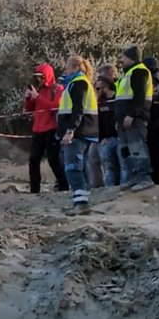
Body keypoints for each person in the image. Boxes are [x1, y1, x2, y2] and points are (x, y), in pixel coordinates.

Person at [57, 56, 99, 215]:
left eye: (67, 67)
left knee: (72, 167)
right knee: (81, 167)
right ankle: (81, 200)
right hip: (84, 132)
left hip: (78, 133)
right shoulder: (78, 83)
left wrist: (70, 130)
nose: (65, 70)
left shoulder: (79, 83)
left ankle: (81, 203)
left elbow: (77, 109)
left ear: (75, 68)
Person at [114, 46, 154, 192]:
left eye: (124, 57)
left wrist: (132, 114)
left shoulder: (140, 72)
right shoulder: (127, 74)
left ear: (131, 58)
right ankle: (133, 177)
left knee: (137, 147)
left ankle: (144, 177)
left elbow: (139, 96)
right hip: (123, 120)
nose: (122, 60)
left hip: (134, 119)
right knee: (126, 149)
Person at [23, 63, 68, 194]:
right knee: (33, 160)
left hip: (51, 128)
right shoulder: (40, 90)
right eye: (37, 77)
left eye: (41, 76)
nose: (38, 79)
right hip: (38, 129)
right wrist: (28, 99)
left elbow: (55, 107)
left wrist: (38, 98)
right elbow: (29, 109)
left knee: (54, 160)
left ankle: (64, 186)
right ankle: (34, 190)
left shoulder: (57, 89)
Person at [144, 56, 159, 186]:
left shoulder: (153, 79)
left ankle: (158, 182)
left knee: (154, 154)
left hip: (154, 120)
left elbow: (153, 98)